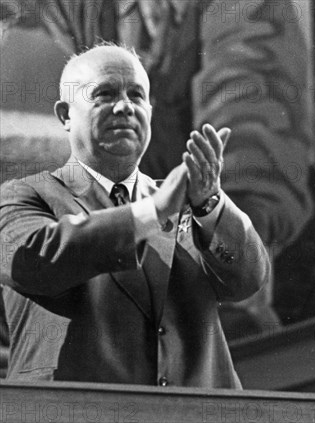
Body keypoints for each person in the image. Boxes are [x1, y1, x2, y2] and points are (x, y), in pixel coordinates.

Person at [0, 44, 269, 387]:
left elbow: (248, 280)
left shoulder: (191, 203)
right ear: (65, 115)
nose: (125, 106)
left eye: (137, 95)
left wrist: (210, 204)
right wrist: (151, 212)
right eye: (105, 93)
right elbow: (30, 260)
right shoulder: (24, 196)